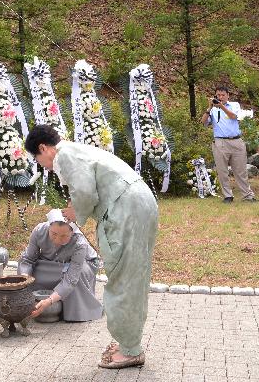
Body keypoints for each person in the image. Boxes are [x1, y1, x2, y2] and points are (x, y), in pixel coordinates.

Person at [24, 125, 158, 370]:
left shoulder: (64, 155)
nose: (41, 164)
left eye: (37, 158)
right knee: (131, 275)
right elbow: (87, 188)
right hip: (136, 203)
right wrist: (76, 205)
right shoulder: (75, 150)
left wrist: (76, 210)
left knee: (124, 277)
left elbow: (85, 193)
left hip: (127, 208)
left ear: (43, 148)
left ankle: (130, 349)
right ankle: (129, 343)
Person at [21, 208, 103, 323]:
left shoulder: (79, 243)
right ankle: (44, 299)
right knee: (34, 273)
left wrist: (49, 301)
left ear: (72, 232)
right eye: (53, 234)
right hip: (51, 263)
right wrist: (24, 280)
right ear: (49, 227)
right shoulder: (39, 231)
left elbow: (71, 279)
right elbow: (28, 259)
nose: (57, 240)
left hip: (83, 264)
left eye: (64, 236)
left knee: (77, 276)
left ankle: (71, 308)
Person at [200, 85, 257, 203]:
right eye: (218, 95)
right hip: (220, 142)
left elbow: (233, 116)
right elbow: (203, 122)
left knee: (241, 170)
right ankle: (228, 196)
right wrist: (209, 107)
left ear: (228, 95)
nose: (220, 97)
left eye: (223, 95)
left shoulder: (234, 105)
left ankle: (247, 195)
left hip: (236, 141)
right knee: (222, 170)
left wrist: (221, 106)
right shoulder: (212, 109)